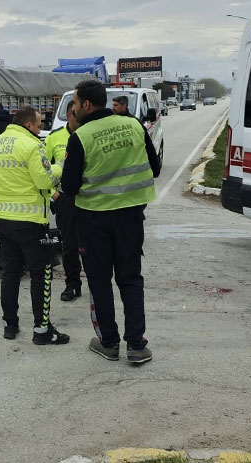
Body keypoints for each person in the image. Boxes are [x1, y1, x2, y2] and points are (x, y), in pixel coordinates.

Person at [61, 80, 161, 365]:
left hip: (94, 220)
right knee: (131, 279)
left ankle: (108, 342)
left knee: (99, 281)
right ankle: (136, 345)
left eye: (76, 104)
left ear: (86, 105)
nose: (75, 109)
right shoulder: (134, 126)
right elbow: (154, 168)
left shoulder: (81, 136)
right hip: (130, 217)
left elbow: (68, 186)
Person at [0, 106, 70, 346]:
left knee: (10, 273)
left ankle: (9, 325)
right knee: (40, 274)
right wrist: (60, 166)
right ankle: (42, 330)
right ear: (29, 125)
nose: (40, 128)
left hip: (3, 219)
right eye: (39, 124)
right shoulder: (32, 146)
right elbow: (45, 179)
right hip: (31, 223)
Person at [44, 103, 83, 302]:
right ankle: (72, 284)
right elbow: (43, 169)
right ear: (70, 115)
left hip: (90, 197)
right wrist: (53, 194)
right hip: (65, 199)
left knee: (93, 244)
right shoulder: (54, 138)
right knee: (69, 245)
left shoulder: (90, 134)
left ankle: (96, 283)